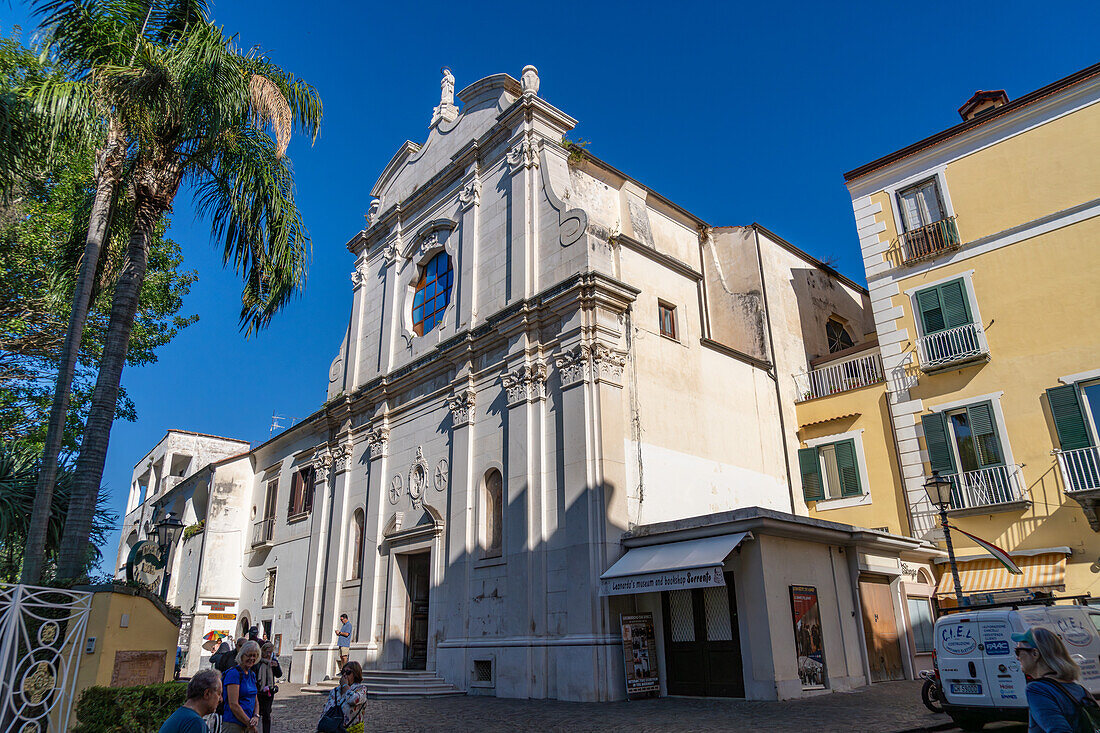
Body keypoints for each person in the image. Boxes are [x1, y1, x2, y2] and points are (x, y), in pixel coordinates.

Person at [1014, 626, 1094, 733]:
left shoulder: (1037, 689)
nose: (1017, 657)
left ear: (1035, 654)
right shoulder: (1079, 689)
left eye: (1018, 651)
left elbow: (1058, 730)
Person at [159, 669, 221, 733]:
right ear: (207, 693)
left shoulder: (182, 715)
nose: (220, 699)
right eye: (219, 694)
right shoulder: (194, 722)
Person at [223, 639, 261, 733]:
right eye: (249, 655)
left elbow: (255, 700)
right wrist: (249, 724)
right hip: (233, 724)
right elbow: (233, 704)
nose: (251, 658)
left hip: (248, 724)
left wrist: (256, 716)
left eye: (254, 655)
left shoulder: (251, 674)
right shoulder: (234, 674)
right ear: (242, 655)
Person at [318, 661, 367, 733]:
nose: (344, 675)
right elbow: (326, 710)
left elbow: (353, 700)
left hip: (352, 730)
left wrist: (345, 686)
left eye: (348, 672)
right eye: (343, 671)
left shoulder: (361, 689)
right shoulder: (335, 691)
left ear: (355, 674)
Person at [255, 641, 282, 733]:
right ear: (263, 651)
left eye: (271, 652)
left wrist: (276, 666)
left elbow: (279, 675)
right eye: (267, 651)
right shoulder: (258, 662)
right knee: (256, 712)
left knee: (267, 714)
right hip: (259, 691)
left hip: (269, 691)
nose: (269, 654)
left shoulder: (273, 662)